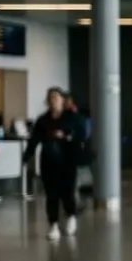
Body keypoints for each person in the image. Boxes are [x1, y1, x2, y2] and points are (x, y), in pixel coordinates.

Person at [24, 87, 83, 240]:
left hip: (67, 160)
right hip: (49, 161)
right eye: (51, 98)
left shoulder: (72, 117)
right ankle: (54, 225)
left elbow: (81, 134)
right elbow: (34, 140)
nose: (53, 100)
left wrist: (66, 136)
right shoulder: (43, 120)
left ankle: (71, 216)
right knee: (52, 194)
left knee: (67, 192)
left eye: (56, 97)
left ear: (63, 100)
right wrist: (27, 156)